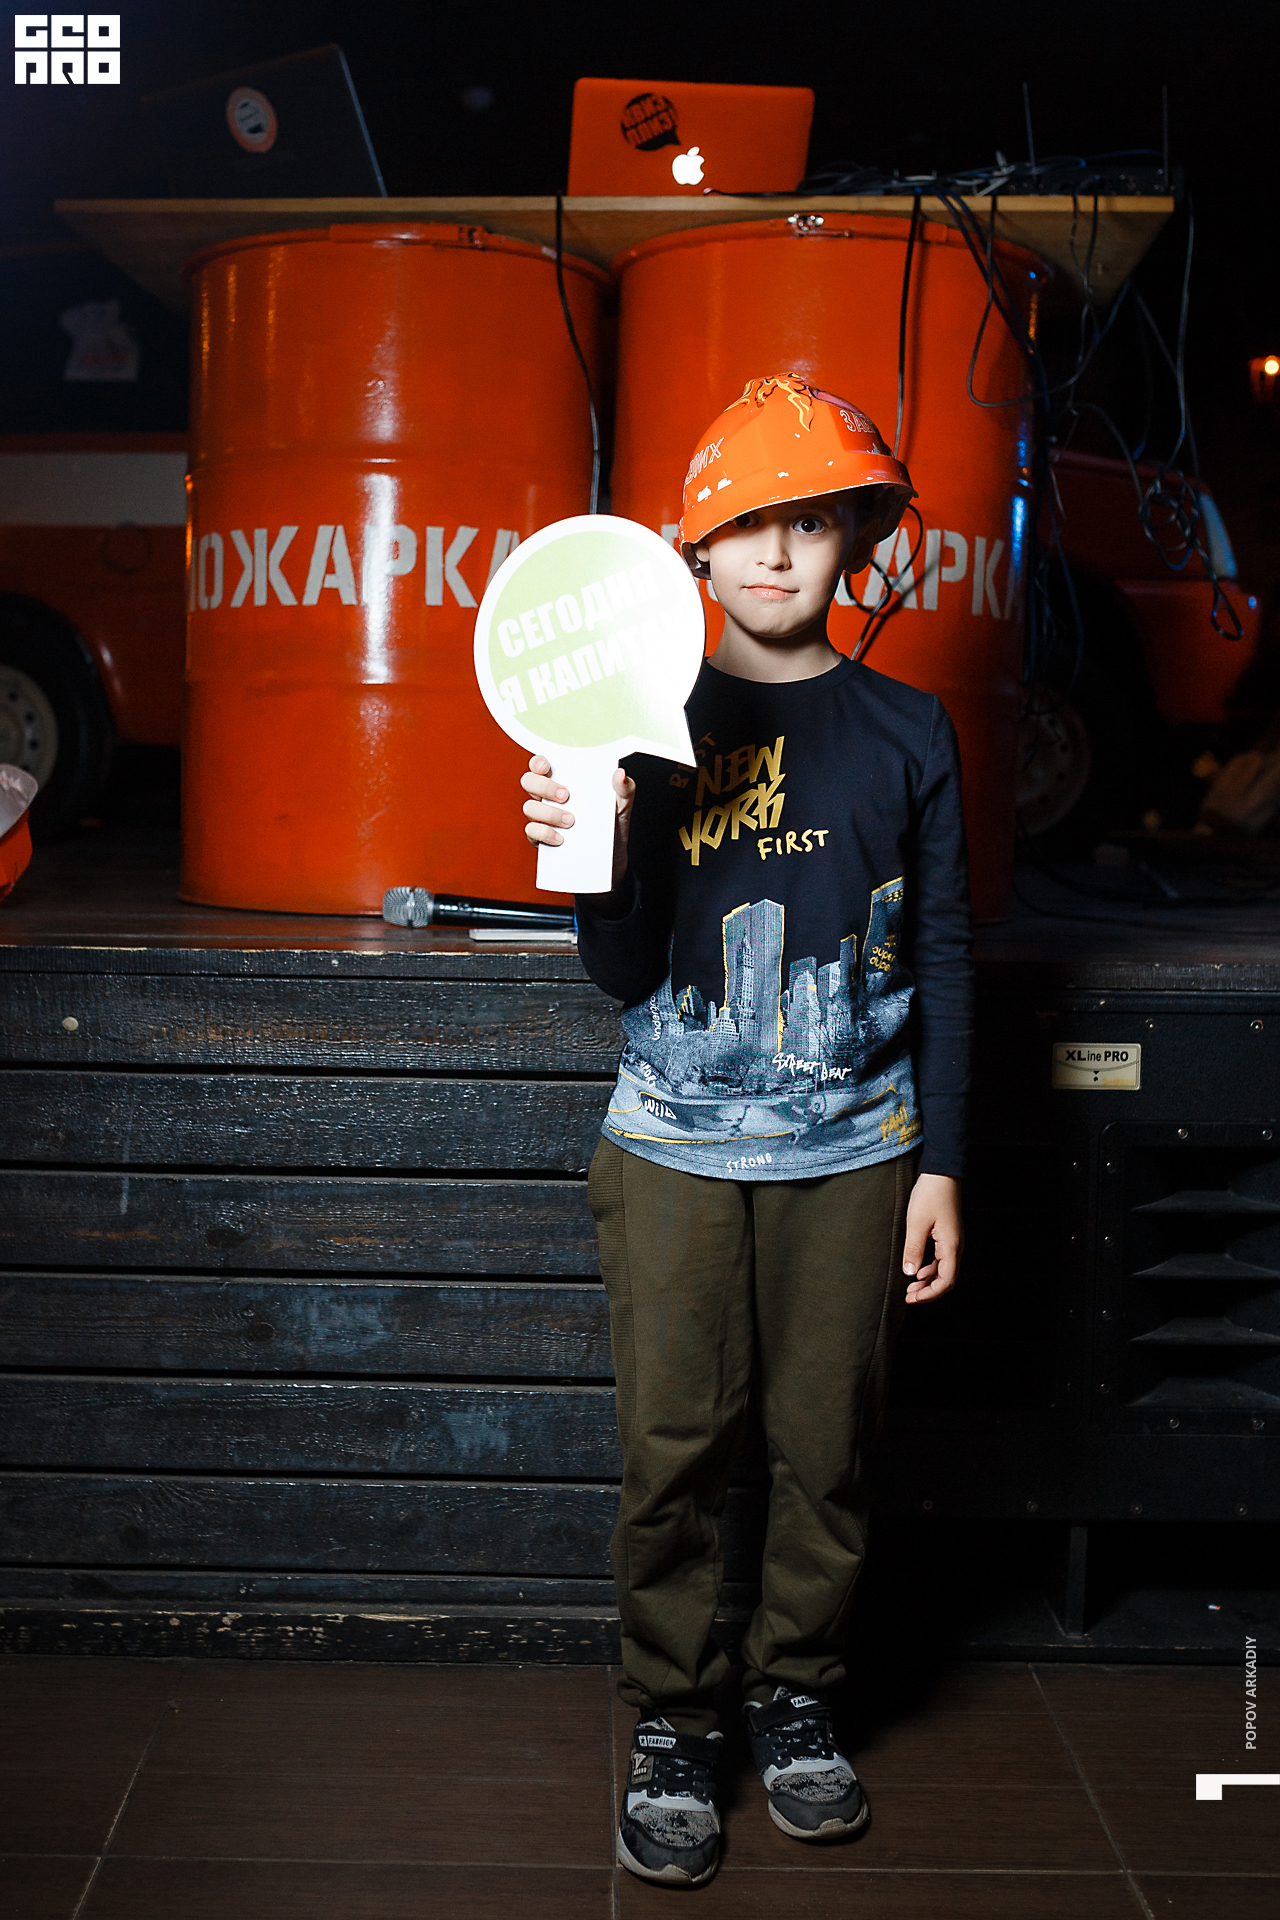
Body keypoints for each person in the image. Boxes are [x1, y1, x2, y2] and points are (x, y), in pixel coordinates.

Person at [521, 374, 972, 1889]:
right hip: (669, 1152)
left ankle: (798, 1696)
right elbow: (619, 972)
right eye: (746, 524)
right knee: (671, 1454)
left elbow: (948, 953)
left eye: (811, 522)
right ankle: (673, 1718)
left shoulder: (909, 731)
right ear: (695, 552)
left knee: (826, 1449)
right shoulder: (641, 725)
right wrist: (597, 844)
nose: (777, 553)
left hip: (859, 1154)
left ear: (857, 543)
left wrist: (944, 1164)